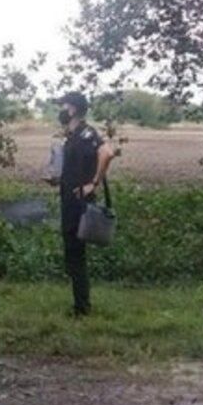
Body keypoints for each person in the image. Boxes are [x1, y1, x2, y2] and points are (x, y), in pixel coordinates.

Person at [55, 91, 114, 316]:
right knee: (72, 252)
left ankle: (82, 307)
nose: (60, 110)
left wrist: (94, 183)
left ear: (73, 109)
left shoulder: (87, 133)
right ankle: (80, 303)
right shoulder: (72, 135)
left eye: (63, 106)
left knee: (76, 253)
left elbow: (107, 153)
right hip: (69, 198)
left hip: (79, 201)